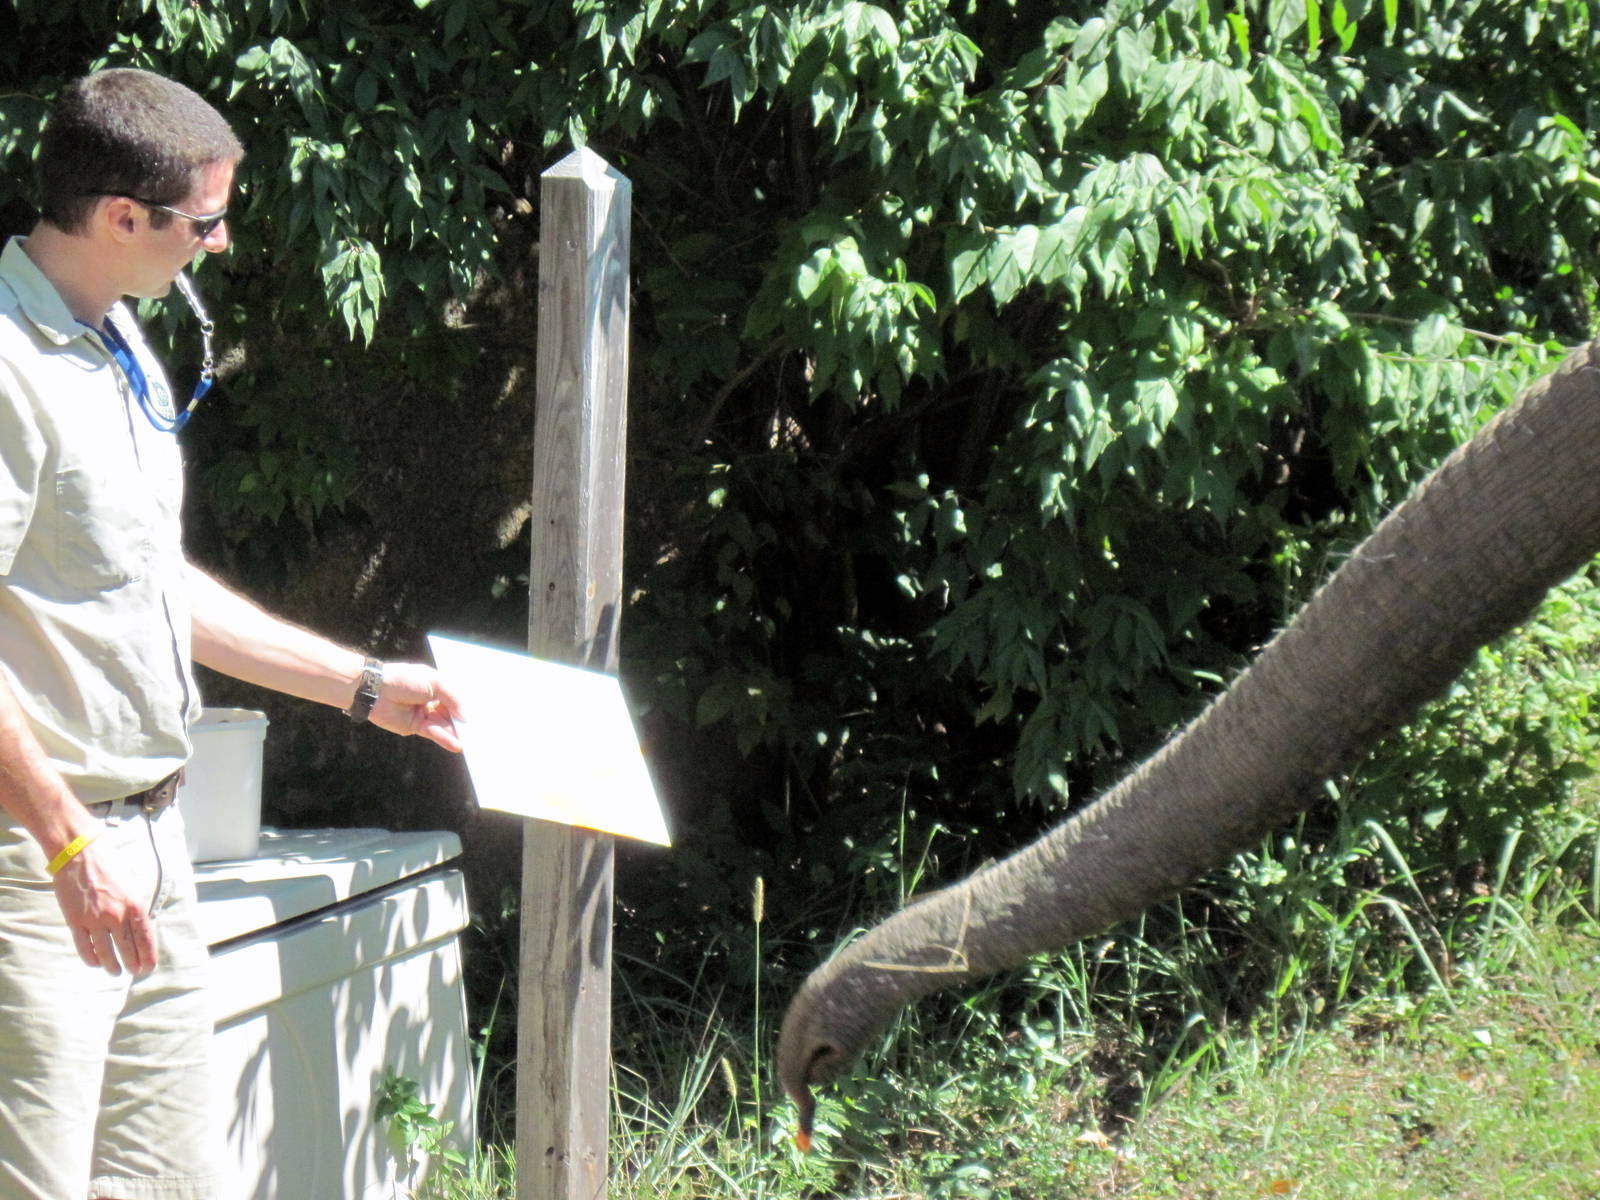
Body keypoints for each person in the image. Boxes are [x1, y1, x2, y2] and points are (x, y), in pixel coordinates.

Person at [0, 68, 464, 1199]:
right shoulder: (9, 366)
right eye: (204, 222)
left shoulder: (114, 335)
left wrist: (362, 685)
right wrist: (64, 843)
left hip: (147, 844)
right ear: (122, 217)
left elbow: (148, 582)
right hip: (37, 863)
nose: (220, 244)